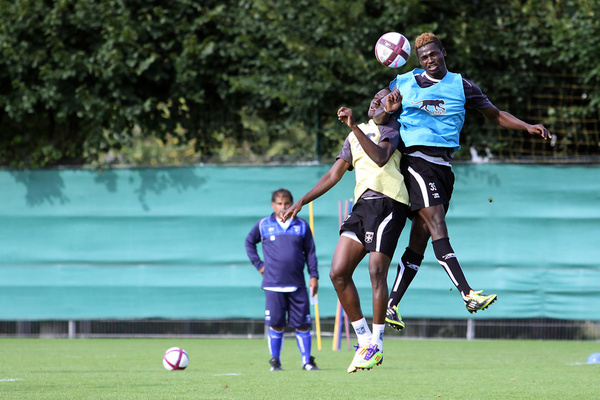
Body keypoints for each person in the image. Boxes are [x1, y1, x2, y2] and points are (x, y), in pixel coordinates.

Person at [374, 32, 552, 331]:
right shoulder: (402, 83)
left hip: (443, 167)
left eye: (433, 54)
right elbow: (377, 115)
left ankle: (392, 305)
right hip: (416, 161)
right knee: (438, 224)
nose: (429, 60)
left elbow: (495, 115)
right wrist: (385, 109)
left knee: (420, 237)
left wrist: (527, 126)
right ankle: (467, 293)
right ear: (418, 60)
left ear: (443, 52)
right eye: (424, 57)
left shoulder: (462, 85)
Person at [282, 89, 409, 373]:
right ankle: (363, 338)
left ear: (392, 106)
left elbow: (379, 159)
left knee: (376, 270)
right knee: (338, 272)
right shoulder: (355, 134)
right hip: (363, 205)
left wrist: (355, 125)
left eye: (384, 98)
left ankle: (377, 343)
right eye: (375, 97)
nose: (377, 100)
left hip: (390, 202)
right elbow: (333, 175)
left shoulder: (392, 128)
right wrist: (302, 200)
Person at [244, 188, 320, 371]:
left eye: (287, 203)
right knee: (276, 325)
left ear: (292, 204)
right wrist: (259, 265)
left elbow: (310, 252)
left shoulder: (301, 225)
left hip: (298, 284)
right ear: (273, 205)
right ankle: (275, 361)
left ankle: (307, 362)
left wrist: (314, 276)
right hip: (273, 285)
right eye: (279, 203)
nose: (283, 207)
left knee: (303, 325)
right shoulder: (263, 225)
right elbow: (249, 242)